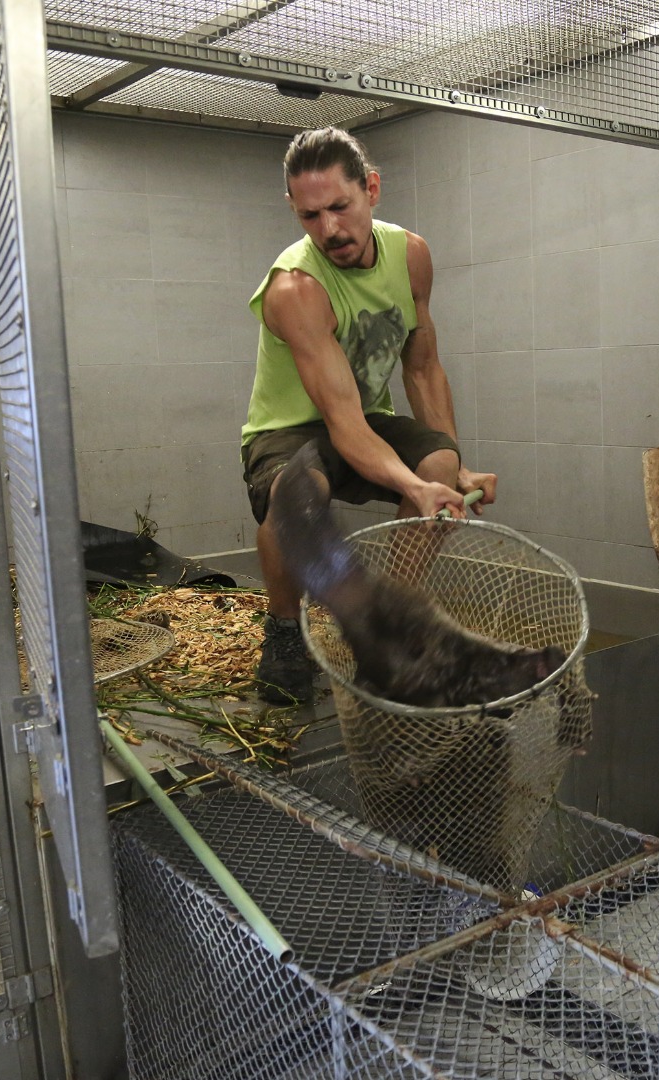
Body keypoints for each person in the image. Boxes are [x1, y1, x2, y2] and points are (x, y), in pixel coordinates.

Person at [241, 127, 495, 704]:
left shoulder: (411, 256)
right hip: (289, 428)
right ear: (293, 209)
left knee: (438, 460)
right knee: (296, 493)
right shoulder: (295, 288)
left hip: (364, 415)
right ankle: (284, 633)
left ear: (371, 190)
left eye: (340, 207)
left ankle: (382, 629)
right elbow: (342, 422)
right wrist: (412, 487)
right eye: (310, 216)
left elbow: (422, 369)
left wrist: (452, 473)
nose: (329, 229)